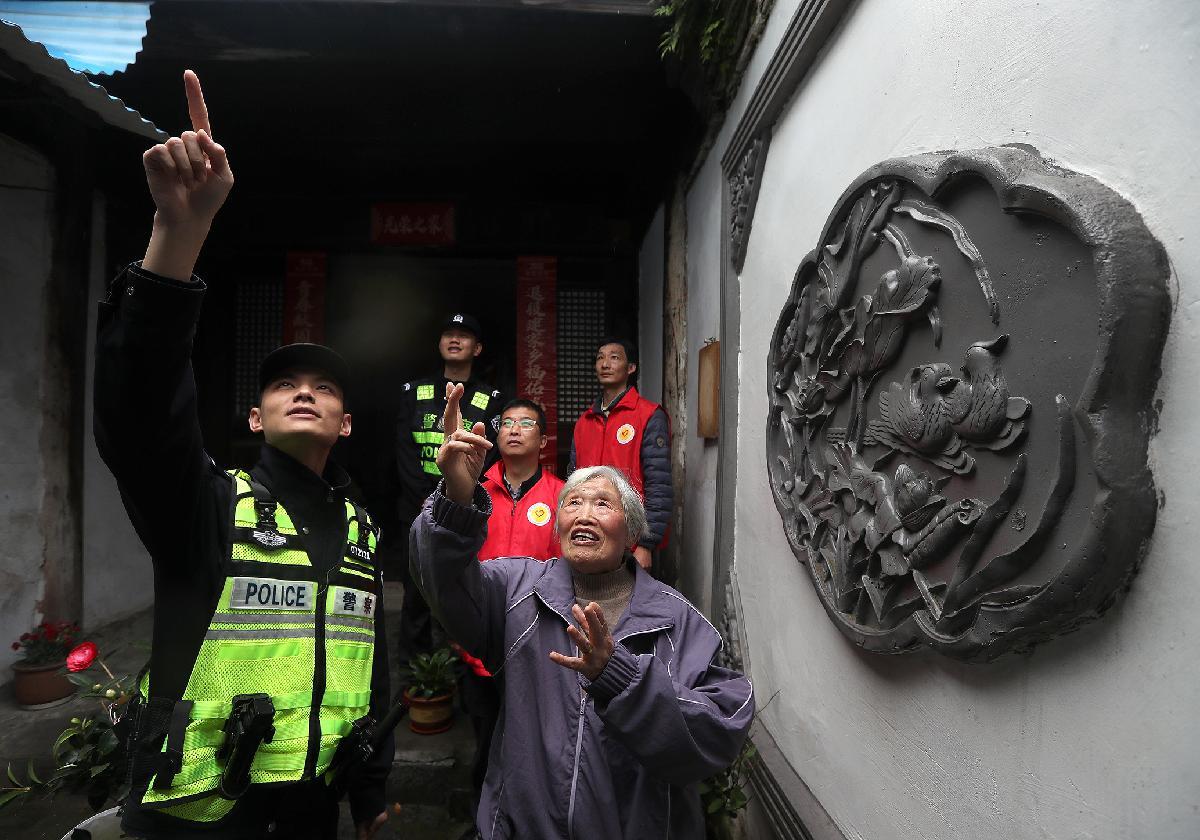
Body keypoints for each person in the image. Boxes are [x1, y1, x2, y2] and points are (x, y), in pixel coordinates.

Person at [94, 70, 390, 839]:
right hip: (197, 812)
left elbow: (370, 665)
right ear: (255, 419)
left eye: (324, 388)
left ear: (346, 424)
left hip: (313, 810)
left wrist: (369, 792)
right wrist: (178, 235)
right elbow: (139, 414)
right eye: (284, 385)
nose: (304, 392)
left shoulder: (361, 529)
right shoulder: (208, 504)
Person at [410, 384, 754, 838]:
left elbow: (718, 731)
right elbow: (443, 582)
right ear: (559, 525)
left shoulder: (677, 620)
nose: (584, 515)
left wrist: (620, 678)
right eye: (573, 503)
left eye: (602, 504)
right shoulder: (517, 589)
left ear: (631, 532)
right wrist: (457, 496)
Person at [393, 312, 503, 673]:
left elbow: (490, 455)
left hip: (462, 507)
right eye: (448, 334)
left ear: (478, 348)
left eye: (464, 335)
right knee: (415, 589)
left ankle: (459, 667)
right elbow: (403, 451)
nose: (455, 340)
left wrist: (459, 495)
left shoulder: (490, 398)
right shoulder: (414, 391)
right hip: (416, 504)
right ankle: (413, 669)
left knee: (459, 584)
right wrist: (427, 499)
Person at [568, 337, 672, 571]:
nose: (605, 364)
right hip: (589, 531)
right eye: (600, 358)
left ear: (631, 367)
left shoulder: (648, 415)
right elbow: (572, 482)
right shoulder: (585, 421)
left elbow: (659, 485)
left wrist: (646, 544)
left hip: (631, 537)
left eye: (614, 358)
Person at [479, 398, 564, 563]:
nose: (514, 430)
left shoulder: (562, 495)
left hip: (543, 581)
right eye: (506, 423)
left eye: (526, 424)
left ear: (543, 441)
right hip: (484, 580)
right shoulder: (480, 494)